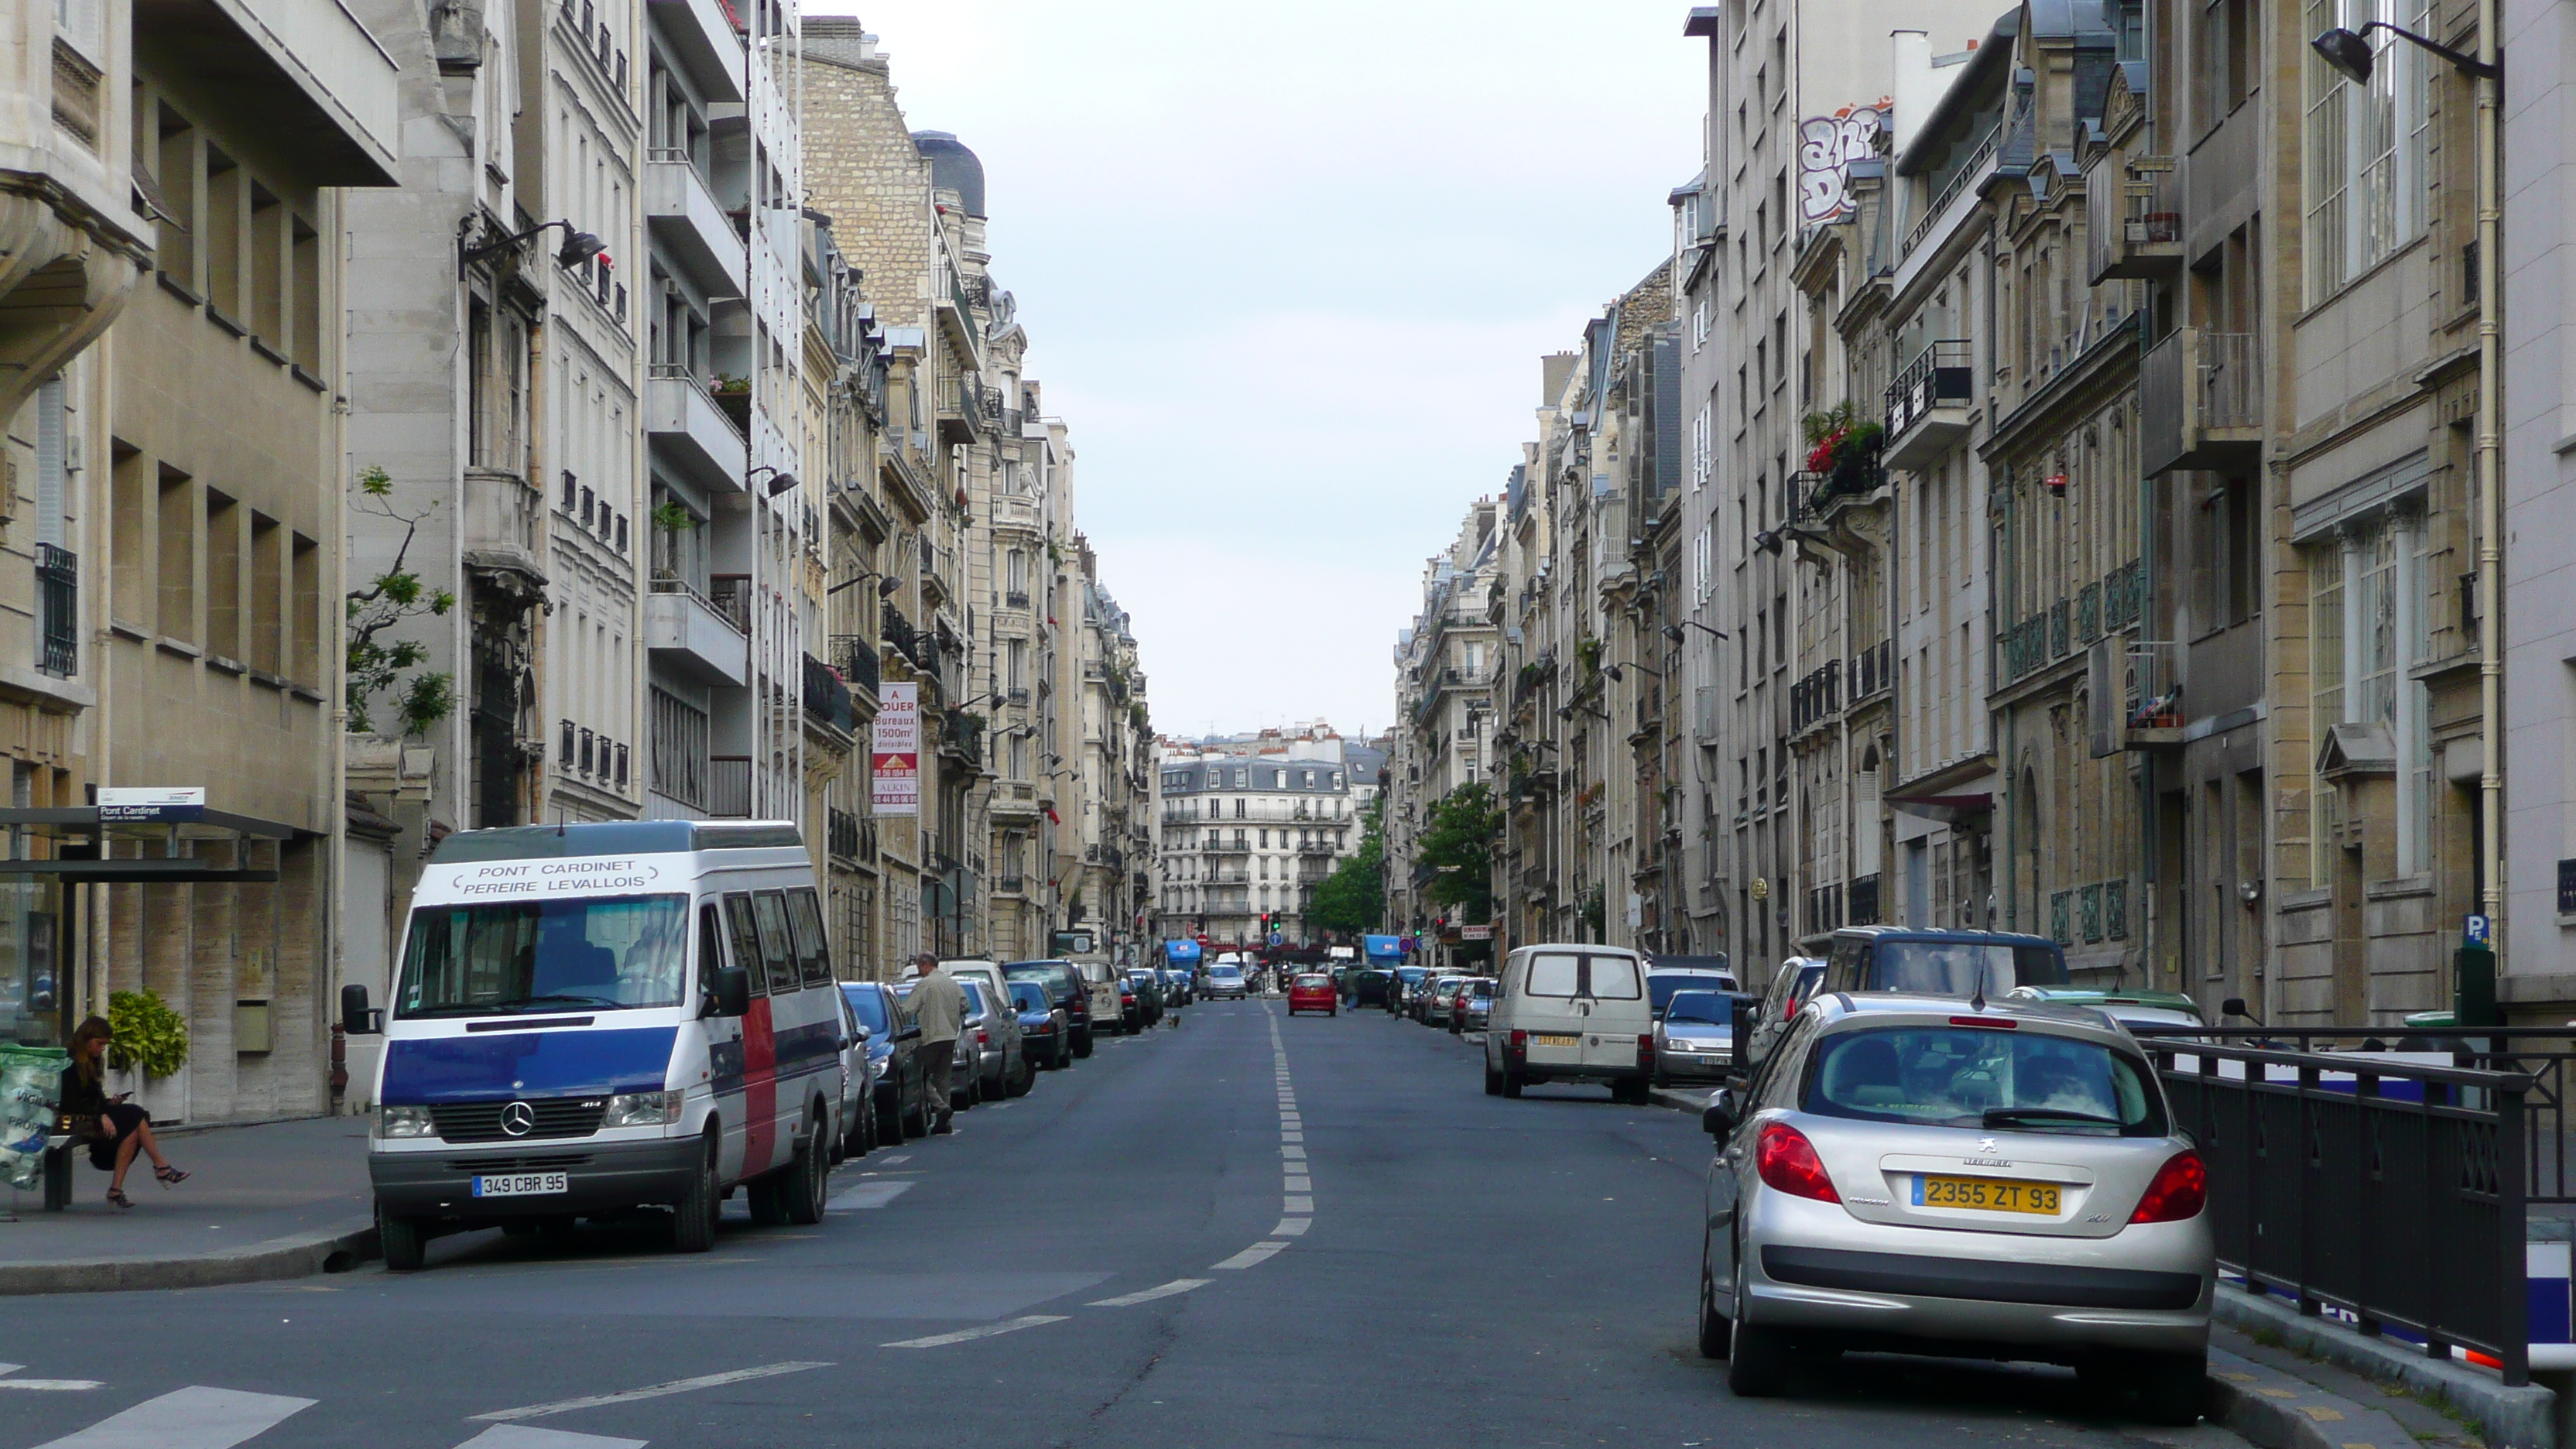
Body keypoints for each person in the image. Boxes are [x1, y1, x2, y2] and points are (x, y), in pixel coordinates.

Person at [60, 1016, 185, 1209]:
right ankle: (160, 1168)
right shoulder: (71, 1063)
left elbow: (96, 1098)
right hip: (78, 1117)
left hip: (92, 1114)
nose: (102, 1049)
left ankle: (118, 1189)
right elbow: (69, 1101)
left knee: (134, 1123)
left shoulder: (91, 1061)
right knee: (135, 1116)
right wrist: (99, 1114)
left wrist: (110, 1103)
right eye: (100, 1044)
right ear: (86, 1039)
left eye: (105, 1045)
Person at [902, 954, 966, 1136]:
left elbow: (908, 1010)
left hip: (931, 1037)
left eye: (919, 967)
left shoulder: (925, 985)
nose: (919, 971)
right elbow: (965, 1005)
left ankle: (941, 1108)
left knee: (922, 1076)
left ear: (926, 965)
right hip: (950, 1036)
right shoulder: (952, 983)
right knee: (943, 1079)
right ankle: (945, 1123)